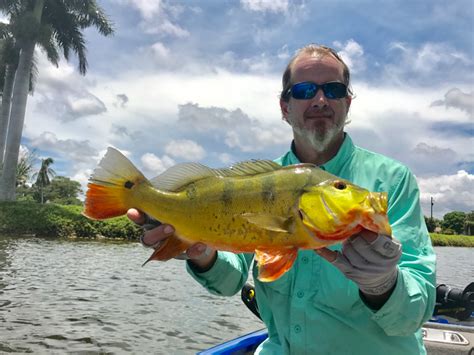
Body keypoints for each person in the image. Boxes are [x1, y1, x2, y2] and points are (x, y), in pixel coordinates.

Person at [128, 44, 436, 354]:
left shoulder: (392, 181)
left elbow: (412, 316)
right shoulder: (255, 183)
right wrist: (199, 250)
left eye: (333, 89)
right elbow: (228, 281)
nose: (319, 100)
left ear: (347, 102)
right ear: (284, 107)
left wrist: (383, 284)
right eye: (303, 90)